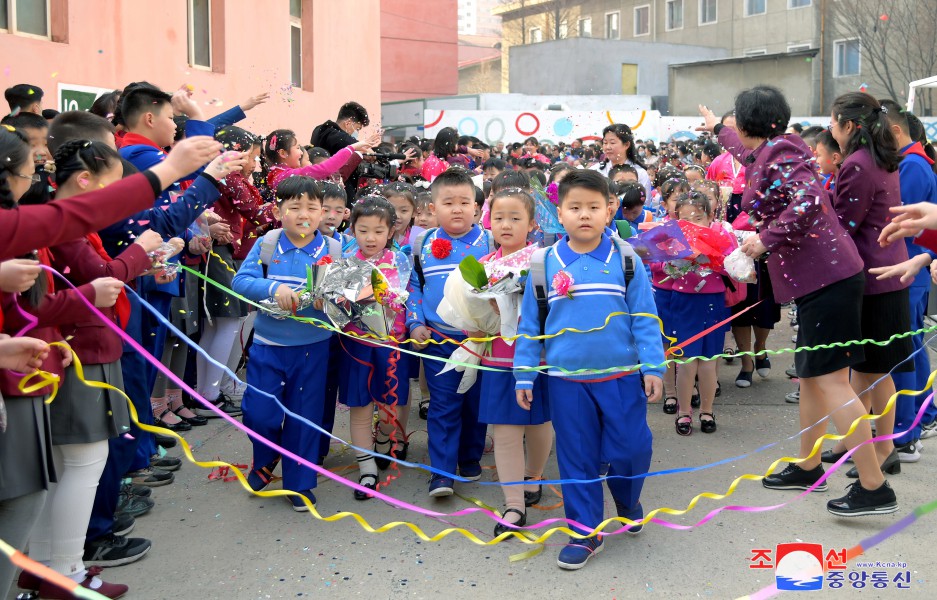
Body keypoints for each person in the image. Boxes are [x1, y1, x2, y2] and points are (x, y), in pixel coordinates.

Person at [700, 85, 899, 517]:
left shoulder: (782, 155)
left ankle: (874, 485)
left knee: (831, 382)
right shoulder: (773, 149)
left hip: (828, 279)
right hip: (817, 281)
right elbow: (746, 153)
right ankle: (809, 464)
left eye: (736, 119)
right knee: (811, 378)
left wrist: (762, 240)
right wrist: (718, 128)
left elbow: (807, 200)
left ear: (751, 122)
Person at [34, 140, 168, 600]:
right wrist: (142, 250)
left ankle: (52, 563)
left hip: (88, 348)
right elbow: (102, 277)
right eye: (114, 187)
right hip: (81, 352)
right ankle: (64, 570)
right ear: (87, 181)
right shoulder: (63, 225)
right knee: (82, 463)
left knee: (78, 463)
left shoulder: (68, 221)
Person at [513, 169, 663, 569]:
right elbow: (530, 326)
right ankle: (584, 532)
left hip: (620, 378)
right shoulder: (544, 263)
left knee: (632, 449)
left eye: (593, 207)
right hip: (567, 383)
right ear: (558, 213)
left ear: (609, 210)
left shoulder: (626, 260)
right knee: (577, 456)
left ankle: (628, 501)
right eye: (574, 207)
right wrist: (524, 373)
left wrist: (653, 367)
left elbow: (645, 316)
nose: (584, 215)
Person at [232, 176, 335, 510]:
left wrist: (330, 301)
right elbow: (241, 281)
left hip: (314, 348)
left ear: (323, 213)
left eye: (311, 207)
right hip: (267, 347)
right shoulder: (267, 244)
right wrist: (272, 289)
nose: (303, 214)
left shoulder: (334, 250)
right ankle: (266, 457)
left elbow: (351, 296)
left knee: (304, 418)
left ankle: (299, 482)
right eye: (294, 207)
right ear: (279, 211)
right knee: (258, 413)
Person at [823, 93, 912, 472]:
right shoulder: (879, 157)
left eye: (832, 122)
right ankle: (853, 439)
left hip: (874, 277)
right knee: (866, 369)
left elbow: (845, 222)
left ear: (847, 125)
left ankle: (883, 449)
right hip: (886, 271)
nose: (829, 129)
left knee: (875, 371)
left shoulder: (859, 164)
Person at [405, 168, 493, 498]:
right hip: (439, 341)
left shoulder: (489, 241)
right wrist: (416, 323)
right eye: (448, 202)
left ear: (476, 206)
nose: (457, 209)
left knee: (474, 403)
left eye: (464, 202)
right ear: (432, 207)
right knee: (443, 404)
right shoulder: (422, 244)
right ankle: (441, 473)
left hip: (481, 341)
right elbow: (414, 288)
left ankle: (469, 457)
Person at [479, 189, 553, 536]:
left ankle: (533, 475)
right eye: (498, 218)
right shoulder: (481, 268)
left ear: (532, 223)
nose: (505, 225)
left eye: (515, 218)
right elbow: (470, 319)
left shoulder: (545, 262)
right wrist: (486, 312)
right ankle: (513, 505)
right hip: (498, 359)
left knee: (539, 425)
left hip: (538, 360)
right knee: (505, 432)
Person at [873, 102, 937, 452]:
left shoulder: (911, 165)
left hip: (907, 266)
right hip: (911, 265)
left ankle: (905, 432)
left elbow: (900, 224)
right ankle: (922, 416)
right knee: (911, 345)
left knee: (902, 351)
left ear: (894, 131)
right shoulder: (914, 162)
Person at [338, 196, 411, 499]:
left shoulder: (400, 261)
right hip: (356, 345)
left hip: (391, 345)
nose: (370, 238)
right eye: (363, 230)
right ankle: (365, 466)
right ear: (352, 229)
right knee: (360, 406)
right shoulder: (343, 262)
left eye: (378, 231)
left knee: (389, 404)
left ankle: (383, 441)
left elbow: (407, 299)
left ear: (391, 231)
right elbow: (335, 304)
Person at [667, 192, 736, 435]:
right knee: (686, 362)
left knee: (709, 362)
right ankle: (684, 412)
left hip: (713, 301)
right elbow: (657, 266)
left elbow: (734, 265)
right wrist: (675, 260)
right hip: (684, 301)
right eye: (685, 219)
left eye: (698, 217)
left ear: (710, 217)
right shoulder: (672, 238)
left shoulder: (722, 235)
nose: (692, 223)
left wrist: (718, 257)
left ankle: (707, 410)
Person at [262, 128, 375, 195]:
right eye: (297, 148)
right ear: (283, 153)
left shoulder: (279, 174)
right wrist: (352, 148)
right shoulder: (287, 176)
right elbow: (325, 168)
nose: (301, 153)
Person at [310, 101, 371, 200]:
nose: (356, 133)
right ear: (348, 123)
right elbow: (361, 147)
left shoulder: (322, 130)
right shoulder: (332, 134)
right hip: (333, 193)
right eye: (357, 129)